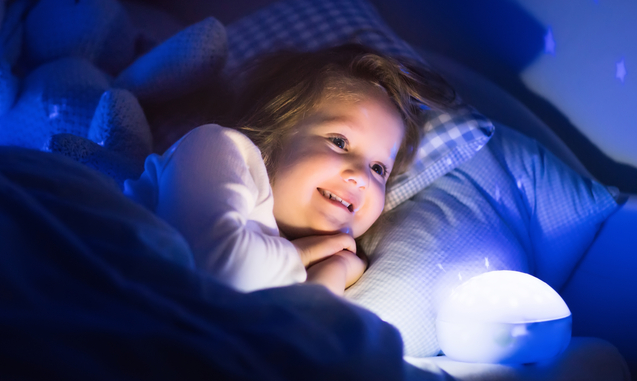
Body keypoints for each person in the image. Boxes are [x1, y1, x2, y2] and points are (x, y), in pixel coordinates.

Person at [124, 43, 456, 295]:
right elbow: (217, 268)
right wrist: (310, 254)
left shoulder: (310, 259)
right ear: (275, 129)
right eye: (339, 141)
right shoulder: (216, 147)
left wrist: (336, 268)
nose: (361, 176)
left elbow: (303, 334)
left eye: (380, 168)